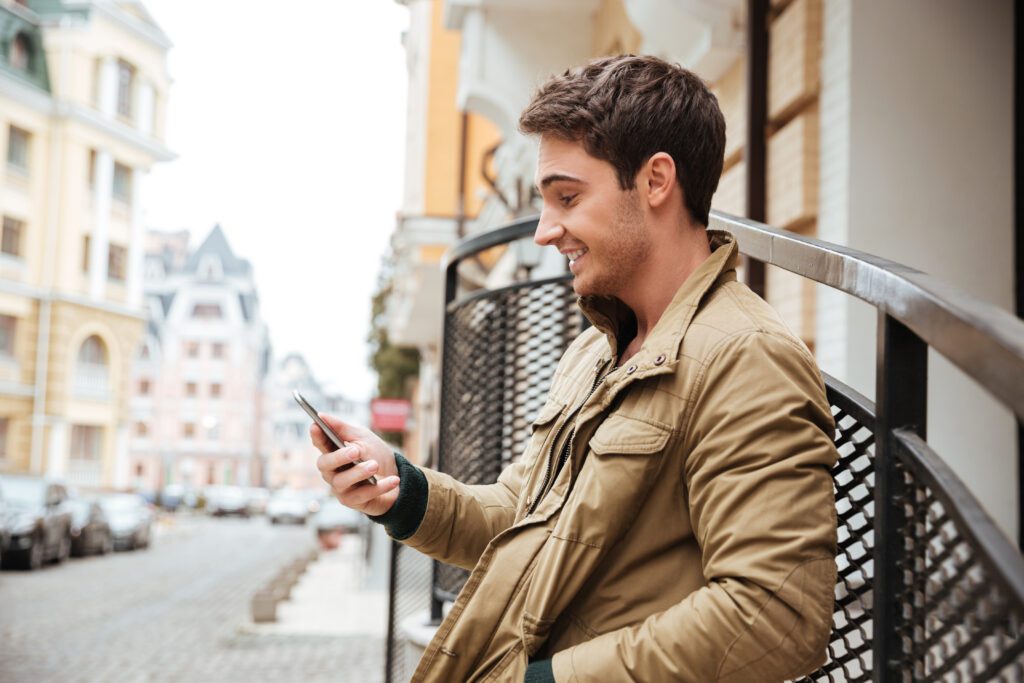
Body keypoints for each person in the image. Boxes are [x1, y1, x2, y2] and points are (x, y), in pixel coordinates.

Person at [312, 55, 838, 682]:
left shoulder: (747, 357)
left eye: (568, 197)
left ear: (655, 181)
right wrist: (400, 490)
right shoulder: (595, 350)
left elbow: (776, 617)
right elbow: (520, 518)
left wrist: (552, 680)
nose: (544, 231)